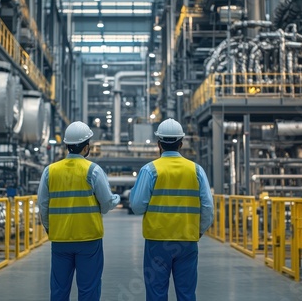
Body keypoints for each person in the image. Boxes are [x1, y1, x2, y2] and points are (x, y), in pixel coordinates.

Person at [130, 118, 214, 301]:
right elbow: (208, 207)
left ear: (158, 144)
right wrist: (198, 231)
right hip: (186, 241)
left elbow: (136, 206)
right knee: (186, 293)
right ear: (181, 143)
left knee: (156, 292)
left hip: (157, 241)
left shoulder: (150, 170)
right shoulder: (196, 170)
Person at [37, 121, 120, 301]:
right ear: (86, 147)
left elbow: (43, 205)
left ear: (67, 145)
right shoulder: (93, 171)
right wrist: (116, 200)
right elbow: (106, 204)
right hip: (89, 239)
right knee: (89, 290)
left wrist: (50, 228)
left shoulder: (50, 171)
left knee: (59, 290)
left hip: (60, 239)